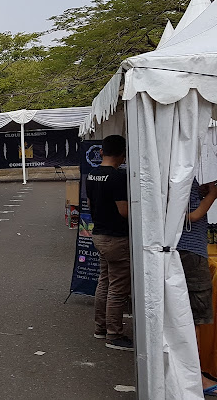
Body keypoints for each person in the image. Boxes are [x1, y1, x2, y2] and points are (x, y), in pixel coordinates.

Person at [86, 134, 132, 351]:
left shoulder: (92, 175)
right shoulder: (118, 178)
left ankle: (100, 327)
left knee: (104, 281)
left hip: (99, 235)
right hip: (116, 238)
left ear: (102, 152)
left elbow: (89, 203)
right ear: (123, 155)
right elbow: (124, 211)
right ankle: (114, 334)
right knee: (117, 288)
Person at [177, 178, 217, 394]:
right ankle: (196, 377)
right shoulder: (180, 173)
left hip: (182, 250)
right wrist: (212, 195)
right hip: (191, 251)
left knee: (187, 315)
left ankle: (189, 373)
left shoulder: (171, 168)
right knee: (196, 316)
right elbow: (189, 217)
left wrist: (201, 193)